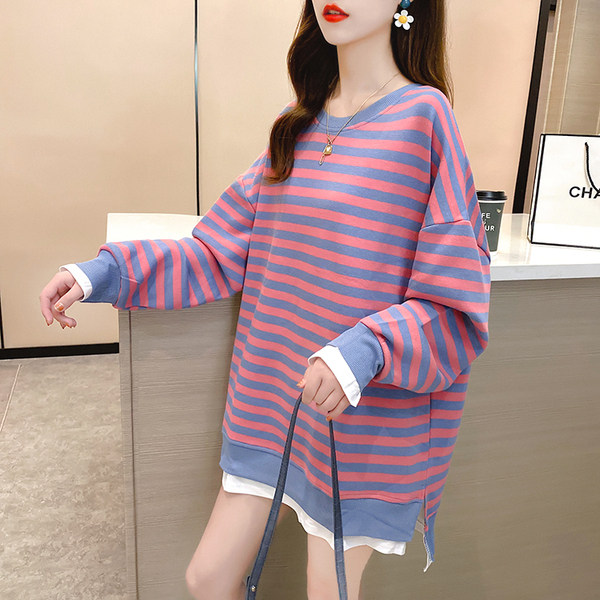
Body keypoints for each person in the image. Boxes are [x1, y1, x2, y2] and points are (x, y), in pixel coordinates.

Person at [39, 1, 491, 598]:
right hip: (270, 405)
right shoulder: (295, 123)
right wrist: (105, 271)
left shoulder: (425, 119)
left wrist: (365, 349)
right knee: (207, 579)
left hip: (359, 424)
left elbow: (456, 304)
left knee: (325, 591)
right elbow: (217, 250)